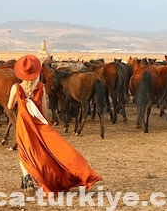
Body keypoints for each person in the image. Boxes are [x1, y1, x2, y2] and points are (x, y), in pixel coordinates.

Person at [7, 54, 102, 195]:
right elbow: (44, 109)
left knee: (24, 151)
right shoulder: (40, 87)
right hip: (38, 124)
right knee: (49, 151)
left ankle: (27, 178)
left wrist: (19, 102)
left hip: (23, 124)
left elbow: (9, 106)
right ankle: (72, 173)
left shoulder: (16, 88)